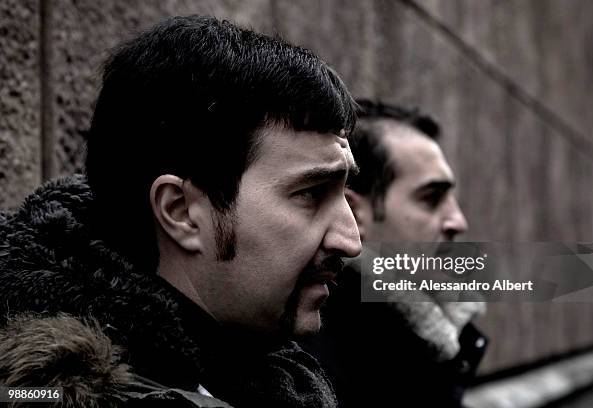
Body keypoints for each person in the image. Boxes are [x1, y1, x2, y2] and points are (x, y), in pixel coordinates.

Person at [0, 15, 362, 408]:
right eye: (311, 193)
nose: (351, 240)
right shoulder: (45, 393)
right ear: (181, 211)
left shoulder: (276, 378)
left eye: (345, 192)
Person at [302, 100, 487, 408]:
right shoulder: (319, 365)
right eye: (431, 198)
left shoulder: (425, 345)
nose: (458, 222)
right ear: (355, 214)